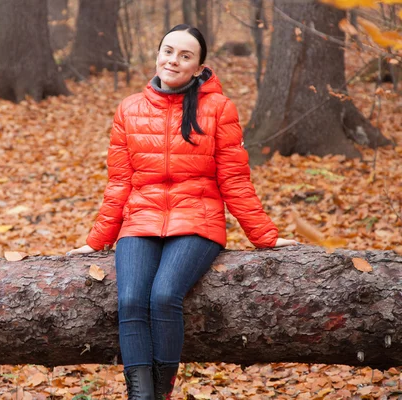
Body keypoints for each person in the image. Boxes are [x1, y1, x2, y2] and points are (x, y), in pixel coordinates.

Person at [68, 24, 297, 400]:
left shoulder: (218, 108)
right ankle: (141, 396)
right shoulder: (129, 109)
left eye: (185, 55)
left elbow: (235, 179)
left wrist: (265, 236)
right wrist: (97, 241)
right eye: (168, 51)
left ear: (198, 67)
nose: (173, 60)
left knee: (164, 295)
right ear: (157, 54)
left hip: (197, 218)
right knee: (129, 301)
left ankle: (161, 393)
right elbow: (119, 183)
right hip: (141, 219)